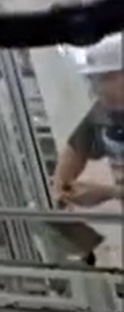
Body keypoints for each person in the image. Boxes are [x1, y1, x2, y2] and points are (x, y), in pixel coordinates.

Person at [52, 36, 124, 212]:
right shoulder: (102, 113)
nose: (96, 88)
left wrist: (109, 192)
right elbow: (74, 150)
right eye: (92, 79)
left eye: (104, 78)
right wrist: (63, 188)